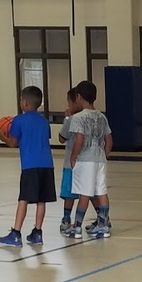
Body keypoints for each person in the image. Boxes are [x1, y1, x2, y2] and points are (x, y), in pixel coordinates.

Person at [0, 86, 56, 247]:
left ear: (25, 103)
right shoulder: (44, 121)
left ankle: (15, 233)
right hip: (47, 166)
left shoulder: (18, 120)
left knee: (24, 199)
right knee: (41, 200)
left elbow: (13, 143)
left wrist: (2, 136)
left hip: (30, 166)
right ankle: (37, 233)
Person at [66, 79, 112, 239]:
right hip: (99, 158)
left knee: (84, 193)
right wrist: (103, 155)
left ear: (78, 97)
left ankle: (76, 227)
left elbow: (79, 139)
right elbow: (109, 140)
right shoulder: (102, 117)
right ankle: (103, 225)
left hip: (85, 159)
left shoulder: (78, 118)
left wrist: (73, 157)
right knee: (101, 192)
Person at [58, 87, 80, 234]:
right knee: (90, 193)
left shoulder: (71, 119)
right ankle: (101, 217)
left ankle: (66, 219)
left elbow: (61, 138)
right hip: (87, 163)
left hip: (71, 164)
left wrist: (66, 119)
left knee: (69, 194)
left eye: (68, 102)